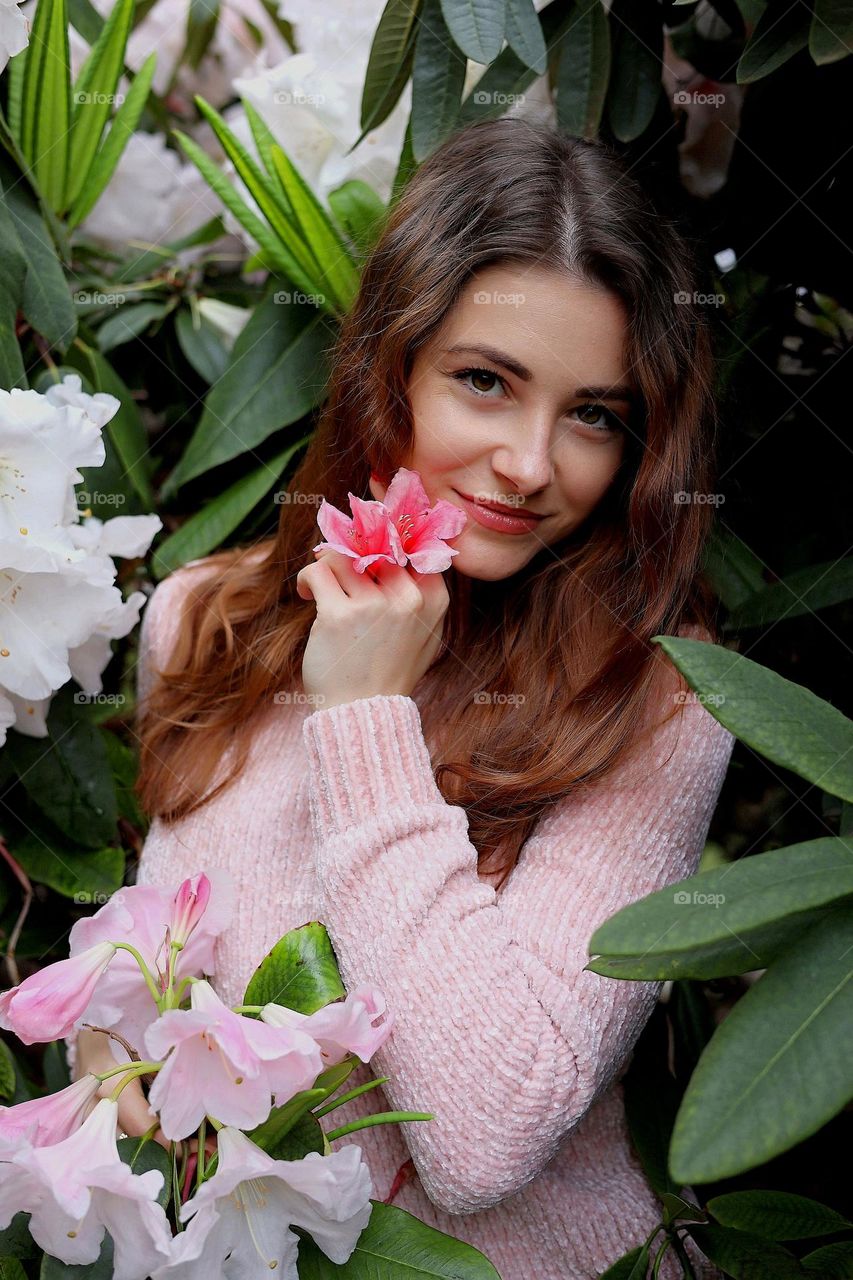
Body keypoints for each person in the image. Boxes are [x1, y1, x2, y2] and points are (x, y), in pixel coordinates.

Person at [69, 117, 734, 1279]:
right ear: (392, 368)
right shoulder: (206, 620)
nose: (531, 463)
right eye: (485, 382)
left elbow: (484, 1137)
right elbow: (155, 958)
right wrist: (102, 1056)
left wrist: (363, 722)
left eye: (593, 414)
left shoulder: (657, 700)